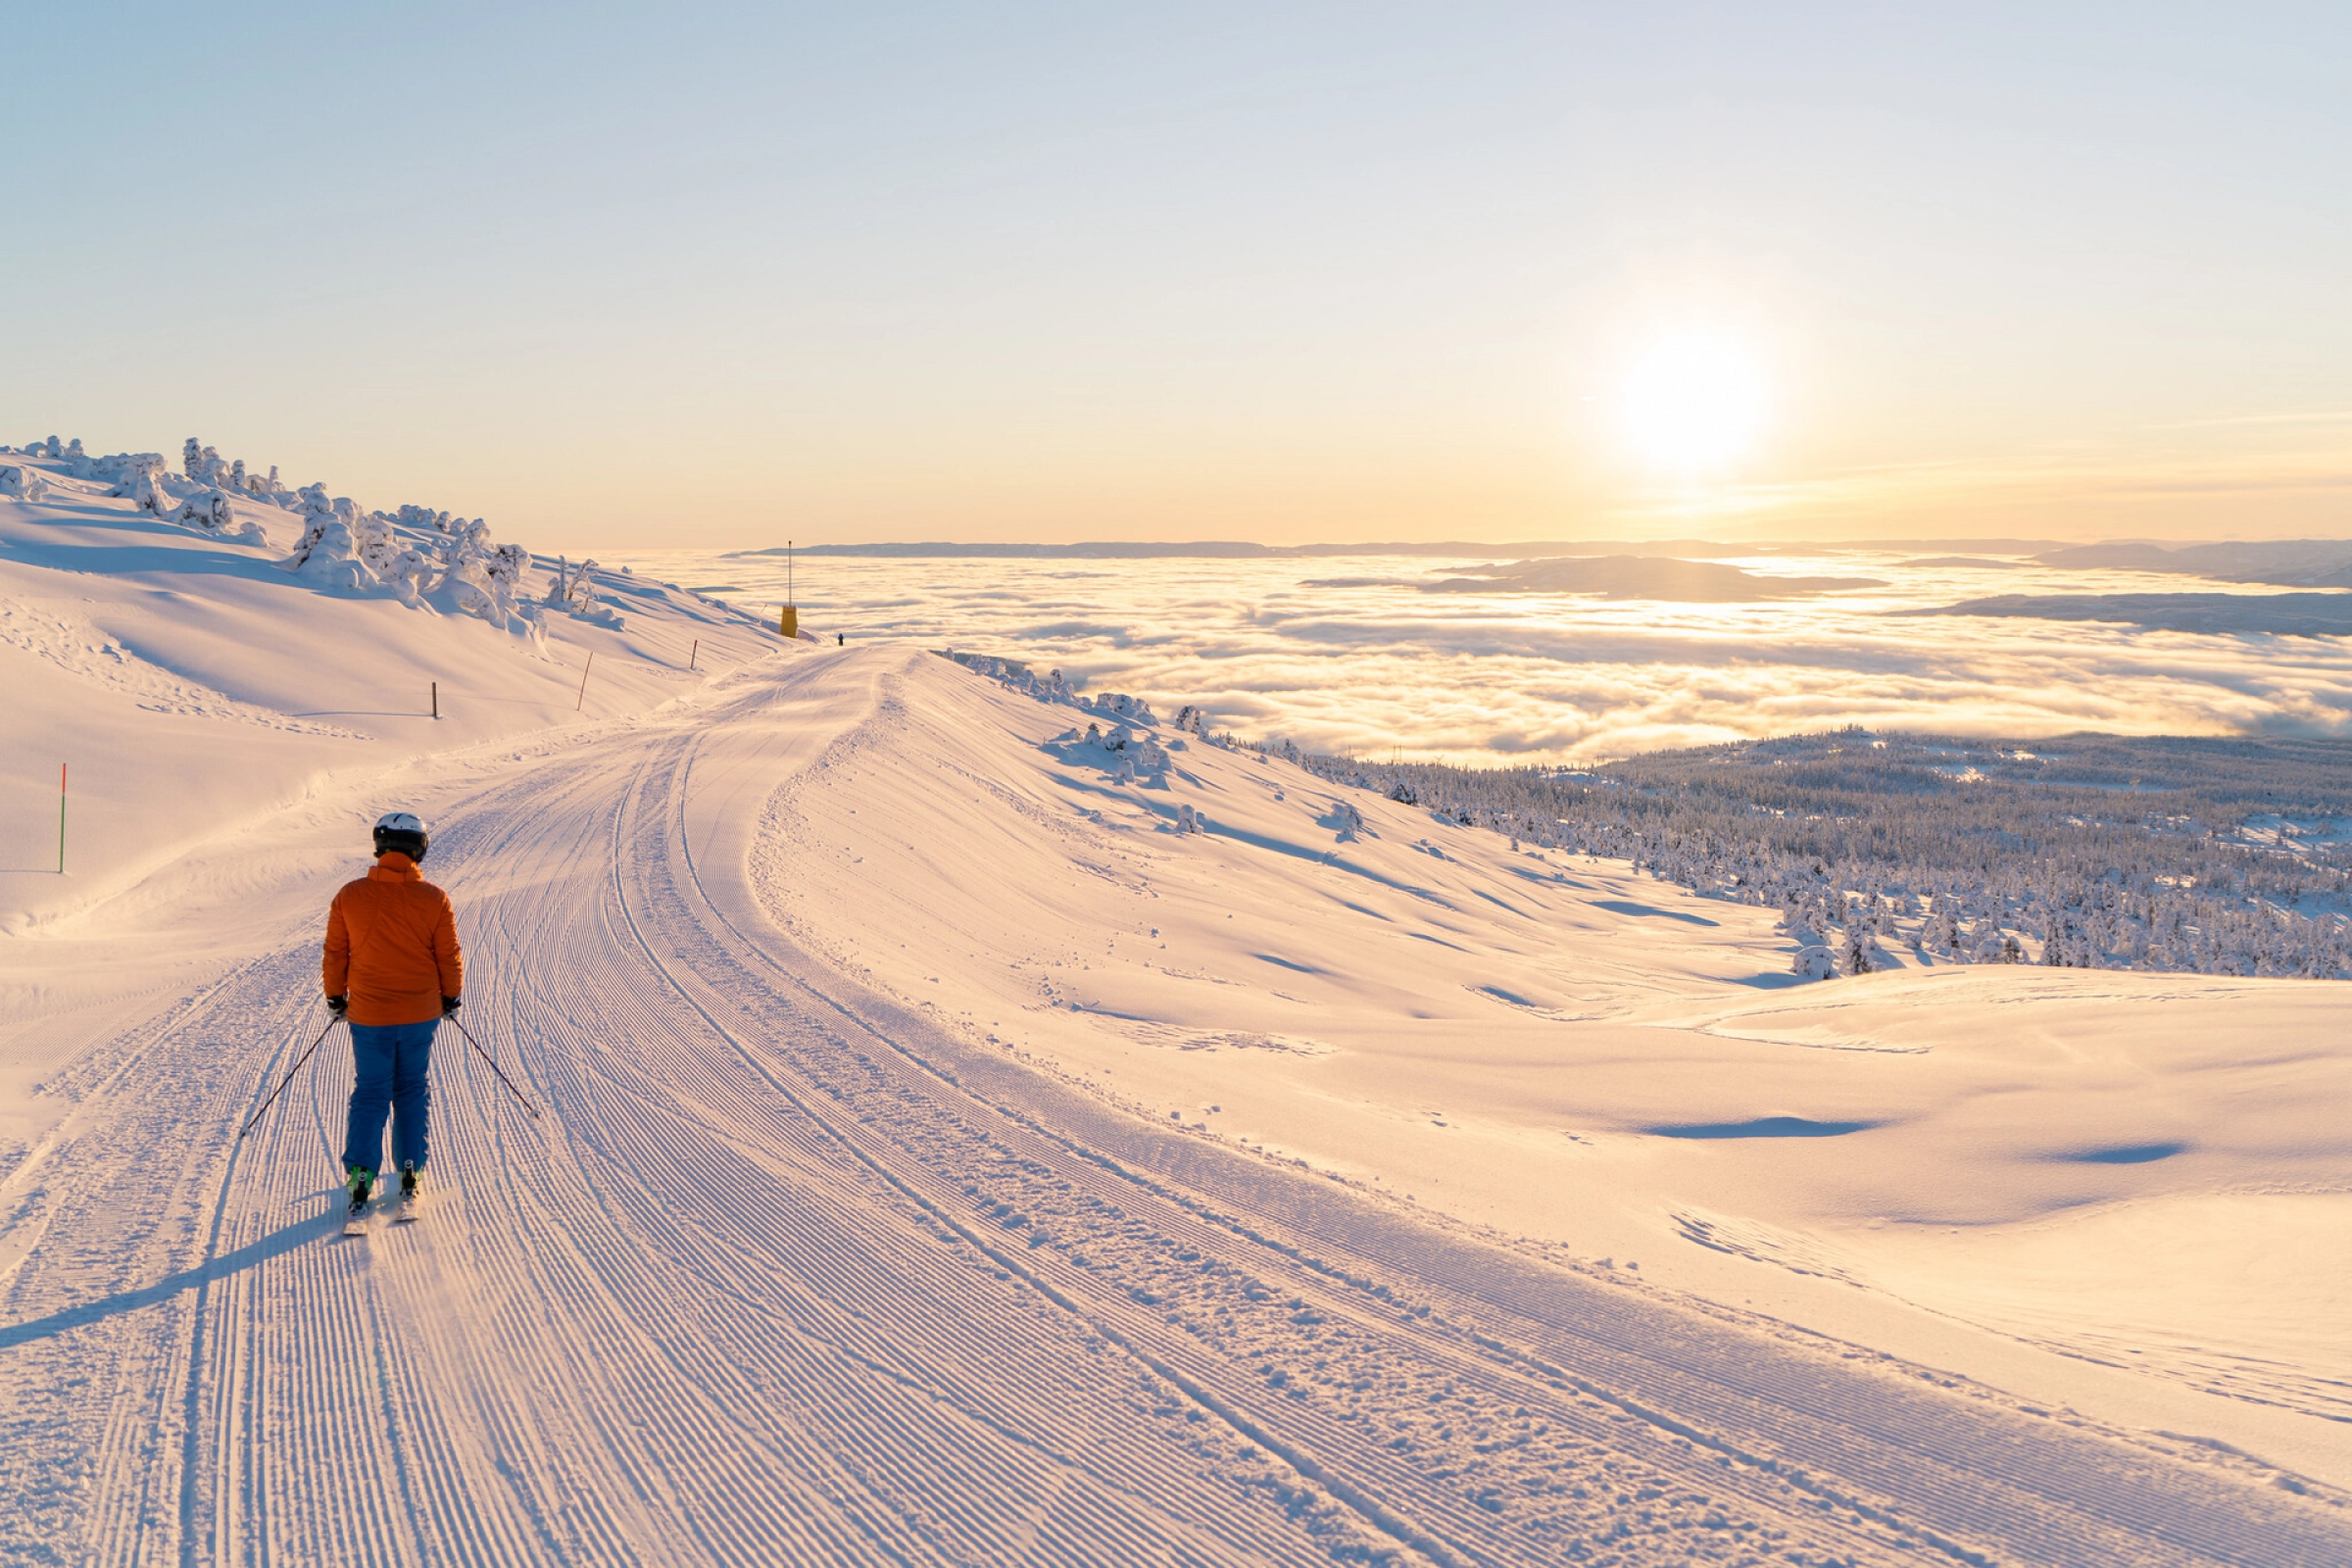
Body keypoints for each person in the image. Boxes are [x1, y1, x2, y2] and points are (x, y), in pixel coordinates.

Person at [323, 811, 463, 1216]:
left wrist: (336, 997)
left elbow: (336, 953)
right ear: (419, 848)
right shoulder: (434, 898)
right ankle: (409, 1172)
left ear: (380, 846)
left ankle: (361, 1176)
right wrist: (451, 997)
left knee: (371, 1091)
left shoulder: (349, 895)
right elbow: (448, 955)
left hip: (369, 1015)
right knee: (410, 1089)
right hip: (421, 1012)